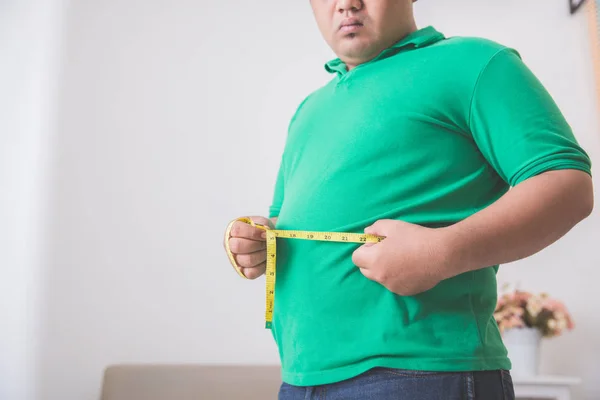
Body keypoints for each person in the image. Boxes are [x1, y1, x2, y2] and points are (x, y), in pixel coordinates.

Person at [223, 0, 594, 398]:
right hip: (300, 377)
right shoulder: (308, 110)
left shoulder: (474, 63)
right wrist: (260, 239)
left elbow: (566, 183)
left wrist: (443, 251)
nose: (347, 3)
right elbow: (285, 224)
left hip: (420, 372)